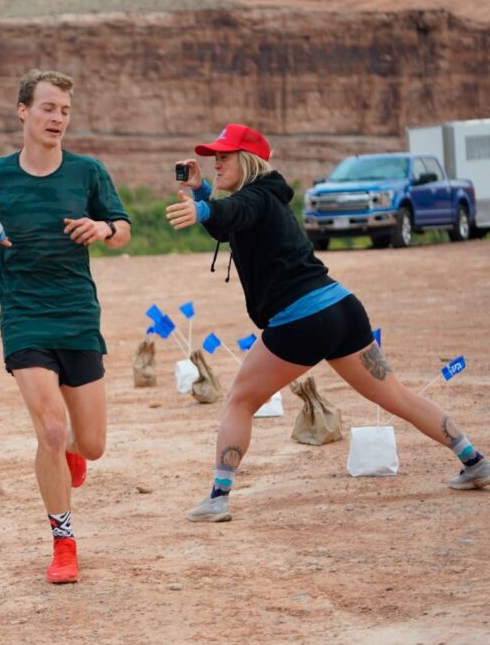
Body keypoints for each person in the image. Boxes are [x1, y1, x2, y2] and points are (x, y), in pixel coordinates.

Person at [165, 123, 490, 523]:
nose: (215, 162)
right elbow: (226, 221)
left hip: (302, 320)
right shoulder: (265, 197)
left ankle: (218, 498)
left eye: (224, 156)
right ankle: (474, 460)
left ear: (247, 161)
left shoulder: (256, 199)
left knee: (240, 401)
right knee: (398, 396)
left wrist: (203, 206)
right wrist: (201, 194)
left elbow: (232, 212)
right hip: (341, 309)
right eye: (214, 156)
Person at [0, 70, 131, 584]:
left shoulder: (87, 172)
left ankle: (72, 453)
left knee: (89, 444)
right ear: (23, 111)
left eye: (65, 111)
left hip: (77, 315)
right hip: (24, 317)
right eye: (48, 108)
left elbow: (123, 228)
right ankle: (64, 543)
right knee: (50, 429)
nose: (57, 119)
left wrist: (104, 227)